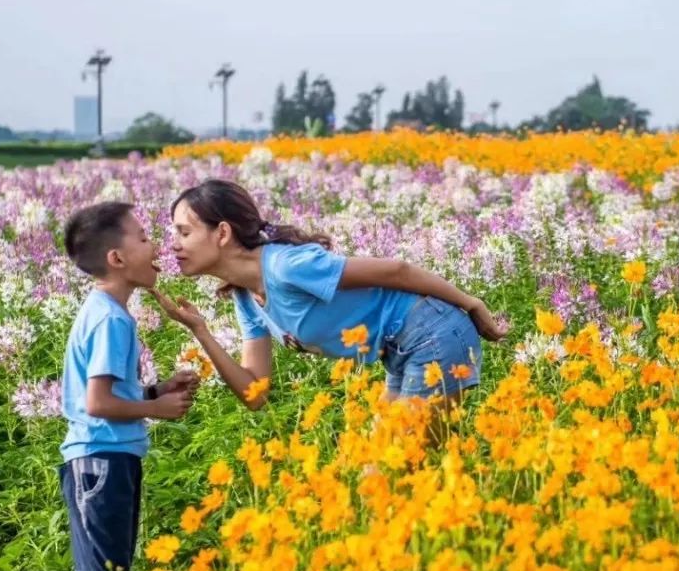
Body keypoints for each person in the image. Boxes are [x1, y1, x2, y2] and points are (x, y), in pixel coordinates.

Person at [152, 179, 505, 430]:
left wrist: (471, 303)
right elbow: (254, 394)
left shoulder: (286, 266)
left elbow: (397, 271)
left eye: (184, 233)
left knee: (392, 469)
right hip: (400, 352)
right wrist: (200, 330)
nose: (174, 246)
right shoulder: (246, 298)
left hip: (433, 335)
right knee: (383, 471)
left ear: (223, 233)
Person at [58, 202, 198, 571]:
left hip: (107, 459)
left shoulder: (108, 312)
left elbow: (109, 393)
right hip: (101, 461)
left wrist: (154, 392)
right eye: (143, 238)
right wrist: (155, 410)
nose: (156, 245)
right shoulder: (112, 319)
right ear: (117, 258)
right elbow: (96, 403)